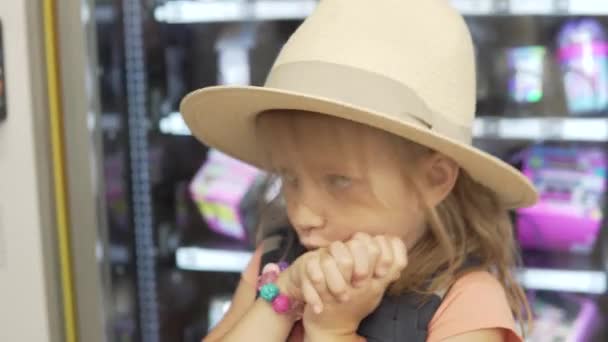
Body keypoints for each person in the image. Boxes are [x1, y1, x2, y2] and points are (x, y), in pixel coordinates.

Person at [180, 0, 539, 341]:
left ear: (434, 180)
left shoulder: (465, 303)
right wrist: (281, 302)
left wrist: (333, 331)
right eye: (290, 178)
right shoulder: (278, 259)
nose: (303, 215)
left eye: (339, 181)